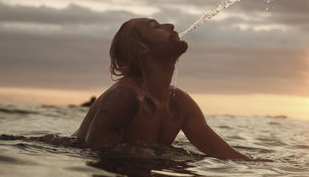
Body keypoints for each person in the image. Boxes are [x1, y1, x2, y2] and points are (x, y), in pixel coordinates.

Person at [73, 18, 249, 160]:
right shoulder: (124, 97)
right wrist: (171, 164)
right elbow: (97, 155)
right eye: (156, 26)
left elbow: (226, 156)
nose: (170, 25)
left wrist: (270, 168)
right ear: (143, 48)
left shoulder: (180, 103)